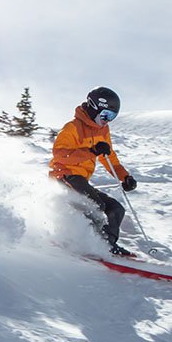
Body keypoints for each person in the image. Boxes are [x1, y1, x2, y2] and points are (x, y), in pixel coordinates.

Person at [49, 87, 139, 256]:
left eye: (112, 117)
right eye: (106, 115)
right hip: (64, 176)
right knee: (96, 206)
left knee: (116, 209)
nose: (107, 121)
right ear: (93, 107)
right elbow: (60, 155)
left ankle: (106, 246)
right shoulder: (72, 128)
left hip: (81, 179)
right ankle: (86, 244)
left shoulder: (102, 130)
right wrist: (91, 151)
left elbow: (109, 158)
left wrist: (125, 177)